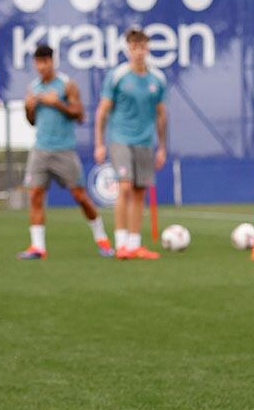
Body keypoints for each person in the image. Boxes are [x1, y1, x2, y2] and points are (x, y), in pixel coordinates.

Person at [17, 44, 112, 259]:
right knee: (35, 195)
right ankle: (38, 247)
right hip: (40, 149)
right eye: (38, 62)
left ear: (53, 61)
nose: (42, 66)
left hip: (64, 151)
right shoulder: (33, 87)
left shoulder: (66, 85)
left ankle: (102, 239)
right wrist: (28, 108)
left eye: (46, 61)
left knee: (80, 196)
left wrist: (57, 103)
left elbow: (80, 115)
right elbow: (32, 121)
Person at [93, 26, 168, 260]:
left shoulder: (157, 79)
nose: (138, 51)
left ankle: (135, 245)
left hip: (145, 142)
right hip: (120, 140)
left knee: (138, 192)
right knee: (124, 188)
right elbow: (102, 111)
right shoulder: (117, 76)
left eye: (142, 46)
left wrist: (162, 147)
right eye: (134, 47)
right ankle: (121, 243)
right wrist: (99, 143)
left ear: (148, 48)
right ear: (128, 49)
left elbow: (161, 115)